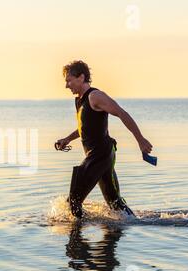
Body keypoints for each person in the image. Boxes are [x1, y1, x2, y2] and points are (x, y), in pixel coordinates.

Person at [56, 60, 153, 218]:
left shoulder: (95, 96)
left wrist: (140, 140)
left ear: (81, 77)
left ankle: (77, 238)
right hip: (99, 156)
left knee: (73, 202)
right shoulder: (79, 101)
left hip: (100, 154)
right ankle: (134, 222)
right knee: (116, 205)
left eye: (69, 80)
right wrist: (67, 139)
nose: (67, 85)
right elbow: (85, 127)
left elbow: (121, 113)